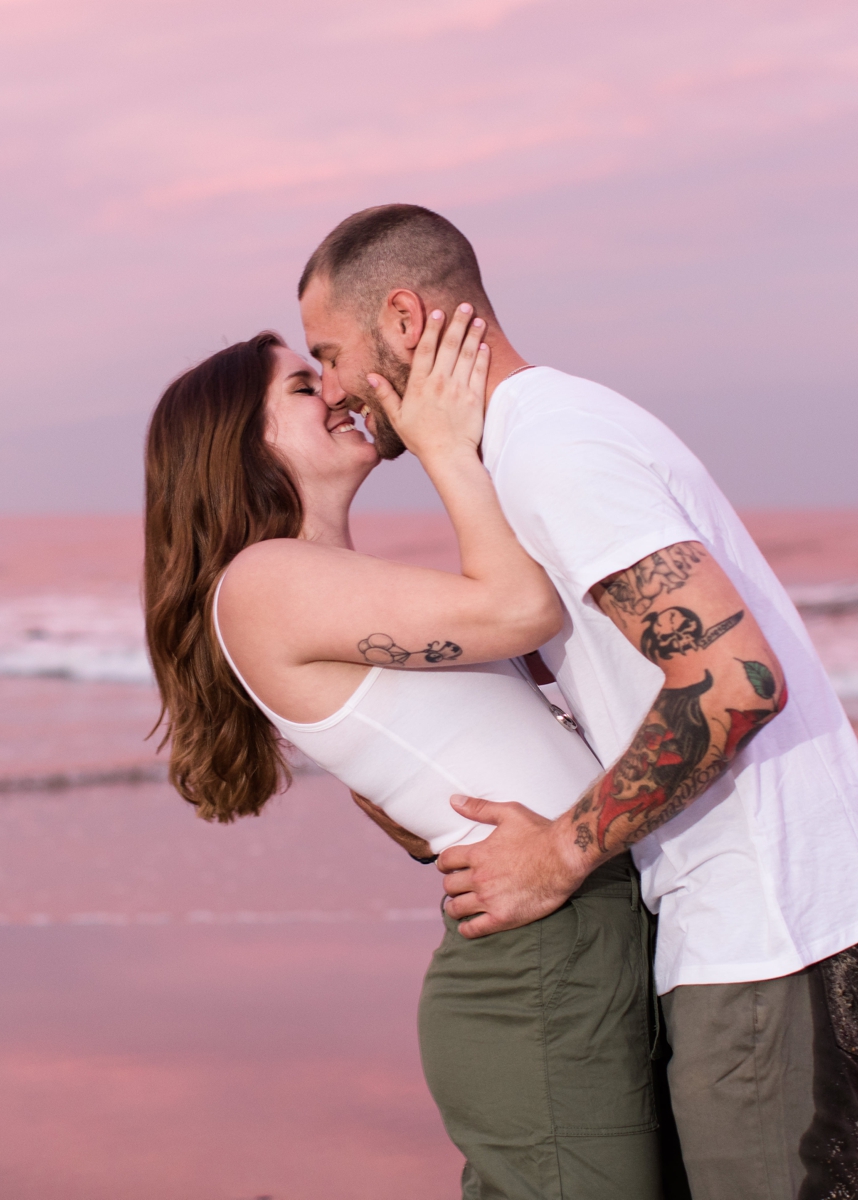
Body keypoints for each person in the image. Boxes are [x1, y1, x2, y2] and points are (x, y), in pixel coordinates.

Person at [299, 204, 858, 1200]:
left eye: (328, 353)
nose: (331, 388)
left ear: (405, 320)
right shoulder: (529, 444)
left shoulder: (552, 446)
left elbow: (736, 682)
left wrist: (561, 851)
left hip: (766, 914)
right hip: (728, 911)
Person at [142, 317, 666, 1199]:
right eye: (304, 389)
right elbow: (520, 608)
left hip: (563, 922)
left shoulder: (318, 579)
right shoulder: (265, 579)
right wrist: (443, 442)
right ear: (238, 445)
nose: (338, 392)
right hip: (542, 958)